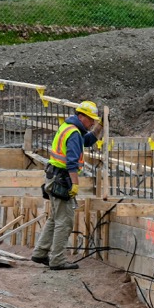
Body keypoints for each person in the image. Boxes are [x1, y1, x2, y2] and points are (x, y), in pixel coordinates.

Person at [31, 100, 103, 270]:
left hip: (54, 177)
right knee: (65, 221)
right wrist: (75, 185)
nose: (92, 122)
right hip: (62, 179)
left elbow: (87, 141)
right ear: (81, 116)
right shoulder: (74, 133)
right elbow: (71, 163)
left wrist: (100, 127)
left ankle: (40, 252)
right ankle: (57, 260)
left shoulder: (69, 127)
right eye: (90, 119)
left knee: (54, 218)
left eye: (94, 120)